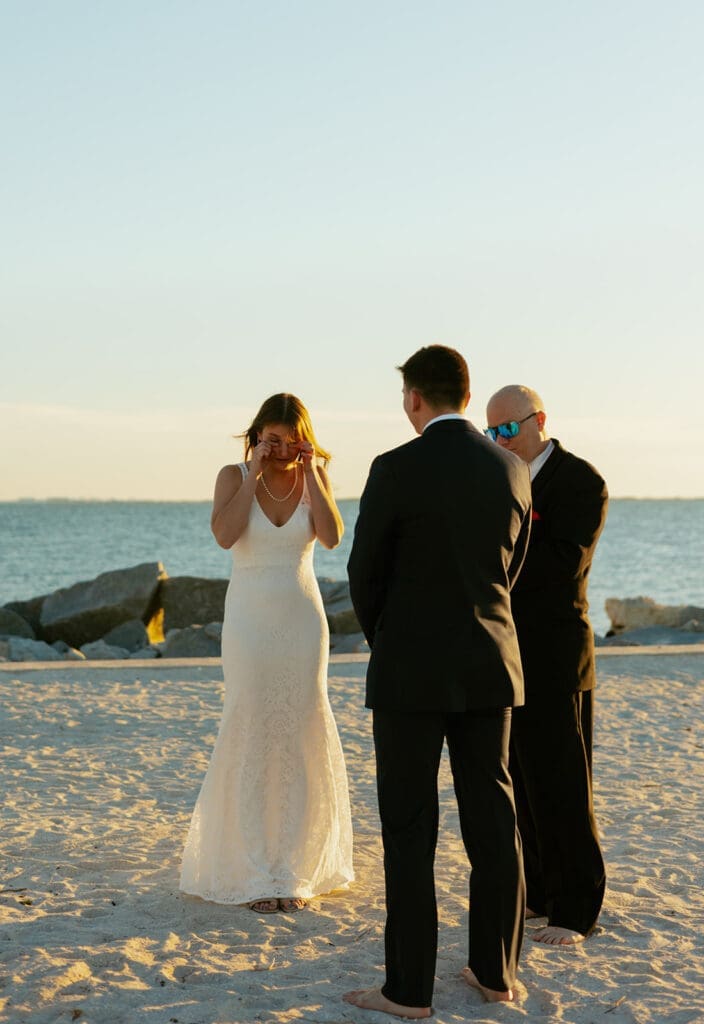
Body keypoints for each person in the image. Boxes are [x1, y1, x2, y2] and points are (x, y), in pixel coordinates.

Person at [344, 346, 532, 1017]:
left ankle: (409, 991)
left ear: (414, 399)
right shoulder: (512, 467)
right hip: (490, 664)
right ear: (465, 391)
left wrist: (388, 639)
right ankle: (495, 972)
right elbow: (512, 567)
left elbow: (365, 573)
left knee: (409, 828)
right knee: (493, 822)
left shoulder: (395, 467)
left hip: (409, 672)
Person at [179, 393, 354, 914]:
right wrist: (254, 471)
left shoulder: (312, 476)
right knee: (253, 725)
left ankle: (294, 868)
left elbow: (331, 537)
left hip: (303, 620)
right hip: (251, 621)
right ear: (255, 435)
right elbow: (225, 535)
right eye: (270, 439)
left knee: (301, 730)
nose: (278, 449)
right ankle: (255, 868)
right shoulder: (233, 476)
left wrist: (314, 475)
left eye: (288, 440)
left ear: (303, 438)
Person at [484, 385, 608, 946]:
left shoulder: (582, 481)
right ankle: (538, 891)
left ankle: (576, 907)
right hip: (507, 649)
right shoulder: (499, 477)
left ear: (539, 421)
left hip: (557, 654)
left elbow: (562, 564)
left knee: (562, 782)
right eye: (491, 432)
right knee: (521, 780)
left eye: (506, 429)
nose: (499, 440)